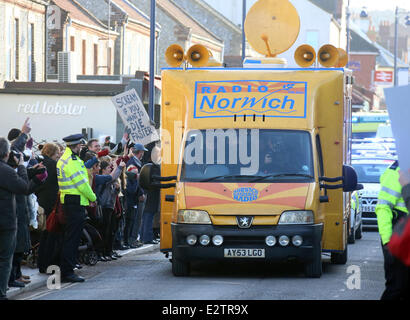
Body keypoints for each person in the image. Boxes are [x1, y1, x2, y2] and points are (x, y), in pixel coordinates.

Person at [57, 134, 97, 283]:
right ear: (75, 146)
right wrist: (93, 198)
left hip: (69, 201)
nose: (81, 148)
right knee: (72, 239)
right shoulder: (72, 161)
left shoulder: (65, 159)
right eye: (80, 146)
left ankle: (67, 269)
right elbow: (82, 184)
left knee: (70, 237)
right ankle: (67, 272)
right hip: (74, 202)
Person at [375, 160, 410, 300]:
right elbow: (383, 208)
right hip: (400, 237)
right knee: (397, 288)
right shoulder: (396, 172)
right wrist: (387, 241)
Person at [0, 137, 30, 300]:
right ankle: (1, 292)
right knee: (5, 259)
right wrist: (21, 167)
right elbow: (24, 187)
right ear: (6, 154)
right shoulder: (7, 171)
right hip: (6, 223)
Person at [35, 143, 61, 273]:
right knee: (50, 236)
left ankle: (42, 264)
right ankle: (48, 264)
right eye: (57, 153)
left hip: (41, 202)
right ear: (52, 153)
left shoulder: (40, 163)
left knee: (44, 235)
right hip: (51, 204)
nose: (59, 155)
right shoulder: (53, 165)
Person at [95, 159, 126, 260]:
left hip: (110, 206)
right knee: (104, 231)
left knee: (111, 230)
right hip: (103, 207)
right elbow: (113, 177)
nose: (110, 169)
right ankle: (102, 252)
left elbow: (112, 194)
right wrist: (119, 167)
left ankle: (108, 251)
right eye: (109, 168)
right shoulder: (101, 178)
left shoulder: (106, 179)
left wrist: (116, 190)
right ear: (103, 170)